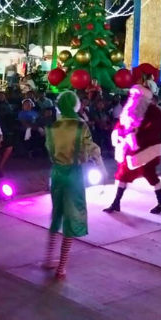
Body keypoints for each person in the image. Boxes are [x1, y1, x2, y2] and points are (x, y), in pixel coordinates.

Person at [42, 90, 102, 280]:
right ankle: (61, 267)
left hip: (57, 172)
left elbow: (50, 150)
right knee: (72, 216)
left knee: (57, 213)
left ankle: (48, 258)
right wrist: (99, 164)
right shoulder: (80, 125)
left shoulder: (52, 127)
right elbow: (91, 148)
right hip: (74, 173)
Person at [104, 85, 161, 215]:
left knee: (150, 174)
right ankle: (116, 202)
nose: (134, 99)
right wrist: (118, 132)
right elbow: (121, 123)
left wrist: (137, 138)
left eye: (137, 96)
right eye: (132, 96)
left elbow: (156, 130)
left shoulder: (154, 112)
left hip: (147, 150)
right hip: (129, 149)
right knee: (123, 174)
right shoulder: (129, 109)